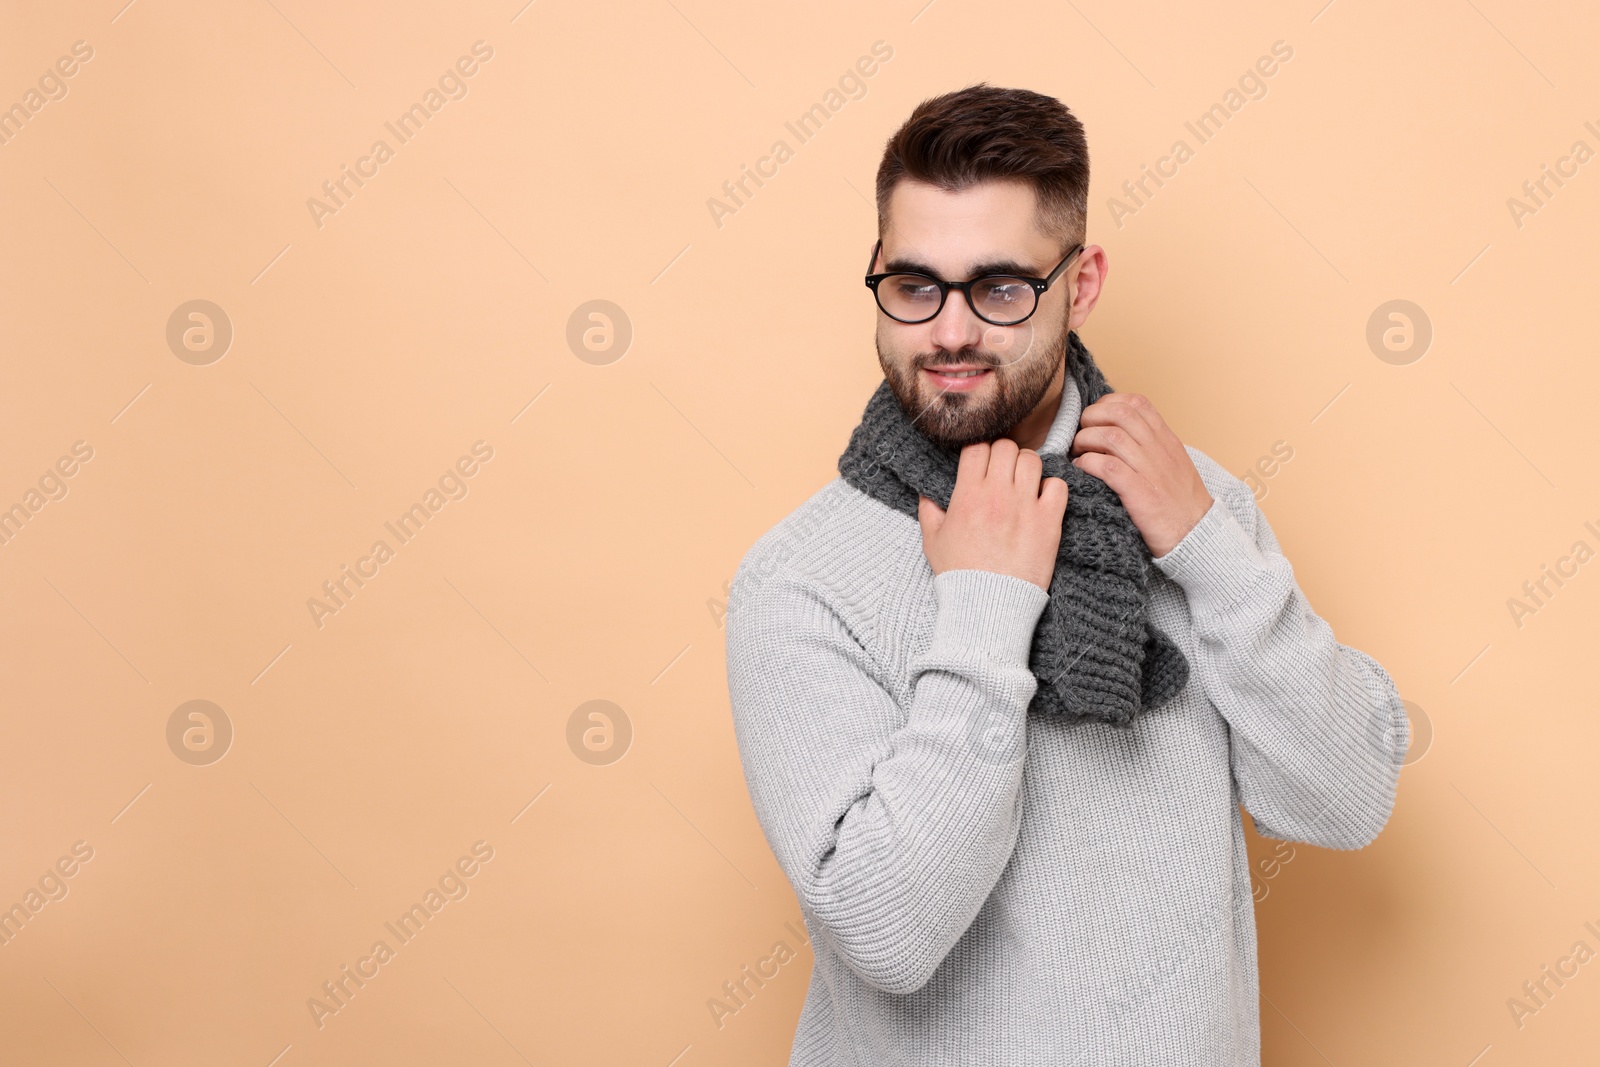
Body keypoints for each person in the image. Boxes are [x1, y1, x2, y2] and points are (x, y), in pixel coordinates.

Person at [723, 82, 1408, 1066]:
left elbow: (1341, 800)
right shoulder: (800, 577)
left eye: (1000, 287)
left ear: (1079, 284)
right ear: (877, 270)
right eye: (915, 284)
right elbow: (884, 931)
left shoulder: (1184, 503)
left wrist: (1206, 545)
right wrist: (986, 610)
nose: (950, 331)